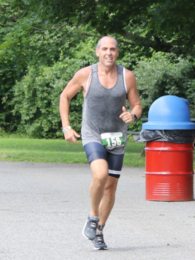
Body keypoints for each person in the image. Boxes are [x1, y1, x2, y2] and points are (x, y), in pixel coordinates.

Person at [59, 36, 142, 250]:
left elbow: (137, 105)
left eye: (113, 49)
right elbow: (65, 96)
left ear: (117, 52)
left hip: (116, 136)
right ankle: (93, 216)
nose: (109, 53)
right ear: (97, 51)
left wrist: (132, 116)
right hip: (92, 133)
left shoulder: (127, 76)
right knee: (100, 174)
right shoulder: (86, 74)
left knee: (111, 187)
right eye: (104, 49)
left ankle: (99, 230)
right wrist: (66, 126)